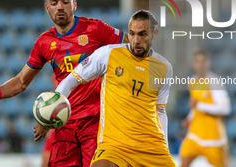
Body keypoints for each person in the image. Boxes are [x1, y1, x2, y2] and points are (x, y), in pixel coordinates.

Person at [0, 0, 128, 167]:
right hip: (64, 123)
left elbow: (132, 47)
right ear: (48, 8)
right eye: (54, 3)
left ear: (74, 4)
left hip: (96, 122)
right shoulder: (44, 42)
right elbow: (22, 81)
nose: (60, 7)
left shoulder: (95, 29)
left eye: (65, 1)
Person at [55, 10, 176, 167]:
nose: (136, 40)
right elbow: (70, 80)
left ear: (155, 34)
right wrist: (54, 109)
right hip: (115, 146)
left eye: (142, 34)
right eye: (132, 34)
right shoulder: (109, 54)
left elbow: (160, 110)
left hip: (153, 148)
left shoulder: (164, 68)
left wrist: (164, 146)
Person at [179, 49, 231, 167]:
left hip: (213, 137)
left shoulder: (214, 81)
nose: (200, 65)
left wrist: (200, 105)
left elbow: (226, 108)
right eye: (197, 61)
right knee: (184, 162)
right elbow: (195, 108)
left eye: (203, 61)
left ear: (209, 63)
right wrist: (189, 118)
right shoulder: (192, 81)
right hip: (195, 134)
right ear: (193, 64)